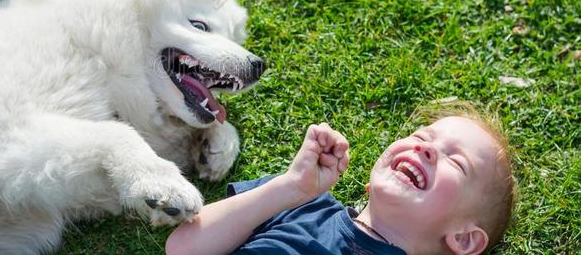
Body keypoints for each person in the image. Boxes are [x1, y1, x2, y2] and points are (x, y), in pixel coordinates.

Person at [165, 103, 515, 255]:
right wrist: (289, 187)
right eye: (422, 137)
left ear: (465, 240)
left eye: (456, 162)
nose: (426, 150)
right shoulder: (300, 204)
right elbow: (182, 248)